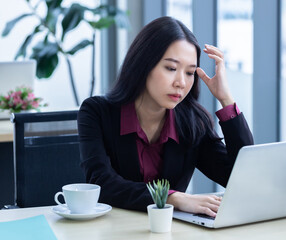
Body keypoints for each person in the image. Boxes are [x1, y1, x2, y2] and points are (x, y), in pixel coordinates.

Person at [78, 16, 253, 217]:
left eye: (189, 73)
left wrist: (226, 99)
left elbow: (241, 179)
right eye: (171, 68)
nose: (181, 82)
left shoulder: (193, 122)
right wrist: (173, 198)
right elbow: (101, 184)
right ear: (143, 65)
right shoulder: (96, 112)